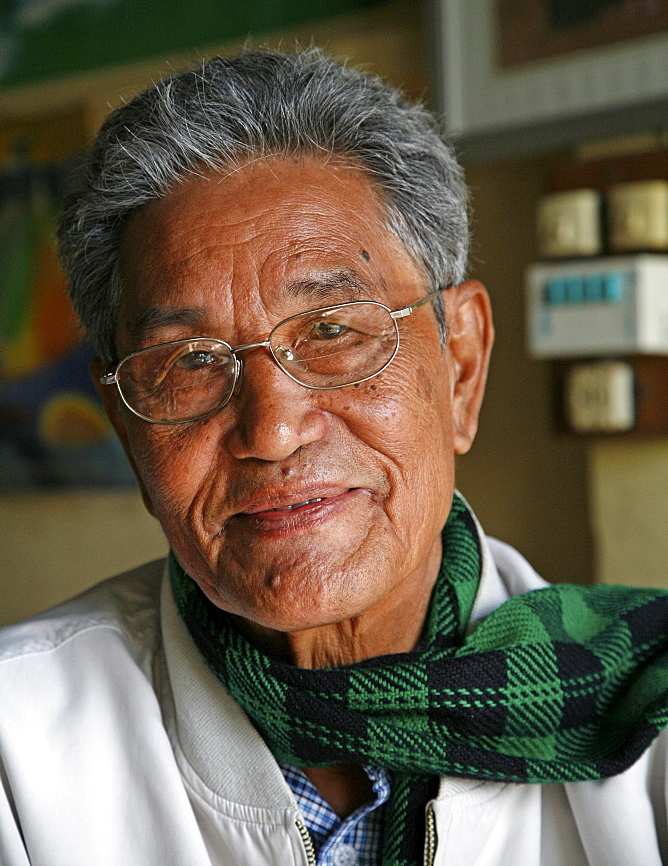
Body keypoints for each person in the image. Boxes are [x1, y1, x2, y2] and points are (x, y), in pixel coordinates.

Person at [0, 48, 667, 866]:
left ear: (461, 365)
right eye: (189, 361)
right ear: (128, 427)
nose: (272, 431)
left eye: (330, 332)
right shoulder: (19, 753)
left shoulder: (651, 715)